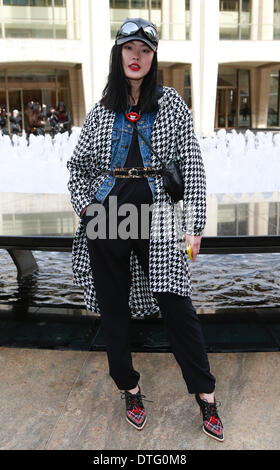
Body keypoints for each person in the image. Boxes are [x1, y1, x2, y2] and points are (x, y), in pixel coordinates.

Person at [67, 18, 224, 442]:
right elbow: (77, 169)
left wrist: (194, 224)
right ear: (118, 55)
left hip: (160, 211)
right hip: (108, 212)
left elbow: (191, 164)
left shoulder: (171, 103)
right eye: (129, 49)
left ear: (153, 59)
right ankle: (129, 388)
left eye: (145, 50)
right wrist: (86, 208)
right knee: (113, 308)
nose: (136, 57)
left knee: (176, 303)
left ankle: (205, 393)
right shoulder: (103, 109)